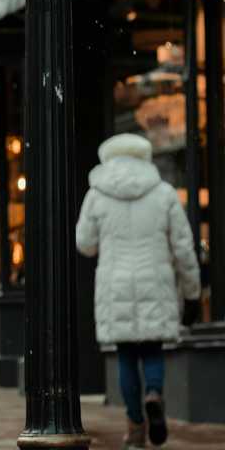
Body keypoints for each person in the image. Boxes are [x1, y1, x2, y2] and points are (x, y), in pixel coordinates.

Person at [76, 133, 201, 449]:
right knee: (152, 349)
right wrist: (192, 292)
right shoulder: (164, 193)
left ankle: (135, 426)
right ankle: (154, 393)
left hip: (115, 285)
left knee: (126, 357)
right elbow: (184, 247)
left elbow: (85, 243)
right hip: (155, 282)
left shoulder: (97, 195)